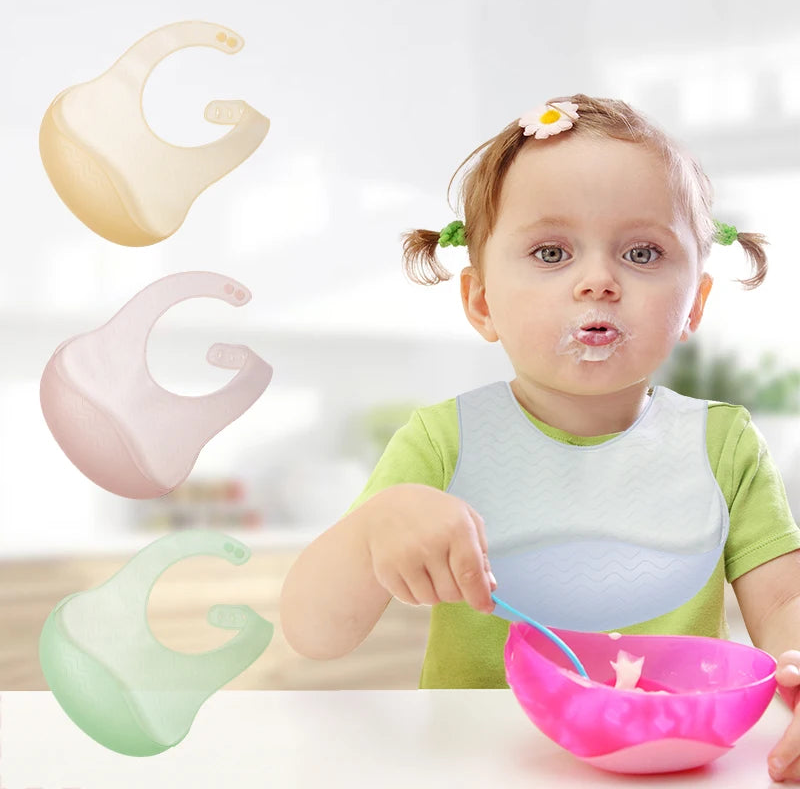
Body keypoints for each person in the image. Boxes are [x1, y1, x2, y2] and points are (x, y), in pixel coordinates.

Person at [280, 93, 800, 782]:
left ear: (694, 303)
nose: (598, 281)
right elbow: (315, 635)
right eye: (552, 252)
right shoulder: (442, 441)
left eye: (642, 252)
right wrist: (377, 527)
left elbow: (785, 604)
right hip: (476, 768)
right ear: (481, 300)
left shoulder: (723, 443)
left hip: (674, 768)